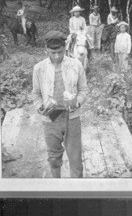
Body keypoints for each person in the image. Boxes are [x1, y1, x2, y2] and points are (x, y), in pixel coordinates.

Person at [31, 30, 88, 178]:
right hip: (50, 119)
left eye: (60, 52)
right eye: (52, 52)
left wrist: (77, 102)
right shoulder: (39, 68)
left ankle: (76, 194)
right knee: (54, 159)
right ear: (46, 50)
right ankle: (57, 188)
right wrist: (40, 107)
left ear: (65, 49)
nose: (57, 56)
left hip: (72, 118)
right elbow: (36, 94)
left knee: (76, 160)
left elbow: (83, 90)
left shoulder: (76, 65)